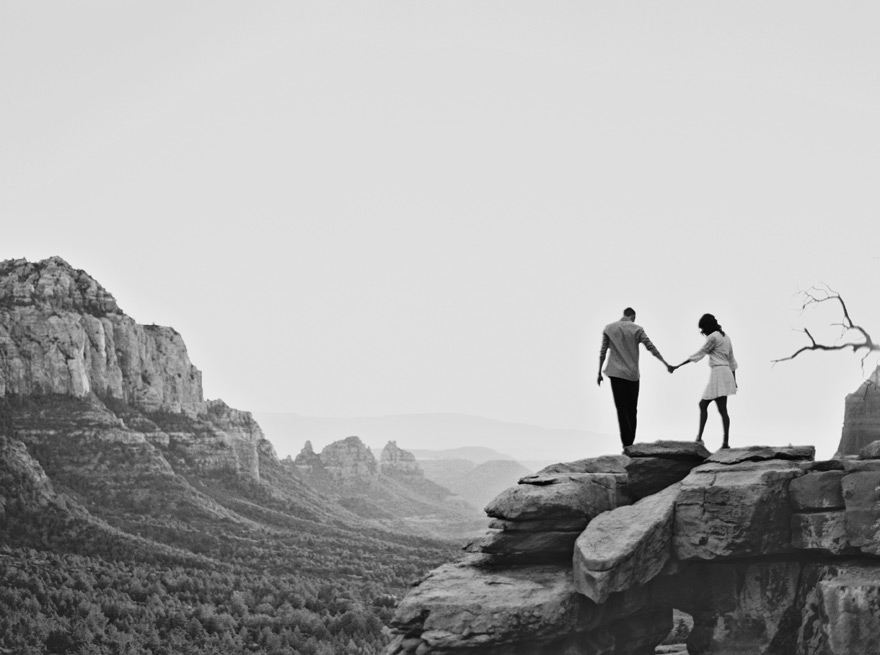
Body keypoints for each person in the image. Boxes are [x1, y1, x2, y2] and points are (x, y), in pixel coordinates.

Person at [598, 307, 673, 448]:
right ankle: (630, 442)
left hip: (615, 374)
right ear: (633, 316)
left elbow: (603, 351)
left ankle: (625, 444)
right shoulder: (637, 329)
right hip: (632, 375)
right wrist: (665, 363)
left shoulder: (609, 328)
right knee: (632, 409)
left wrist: (598, 372)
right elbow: (651, 347)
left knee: (621, 408)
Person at [670, 313, 738, 449]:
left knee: (704, 405)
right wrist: (734, 381)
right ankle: (725, 442)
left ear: (707, 326)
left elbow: (699, 354)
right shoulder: (726, 337)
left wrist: (677, 366)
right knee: (722, 410)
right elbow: (732, 361)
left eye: (703, 328)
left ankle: (699, 439)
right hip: (726, 373)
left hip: (718, 373)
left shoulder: (713, 337)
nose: (703, 332)